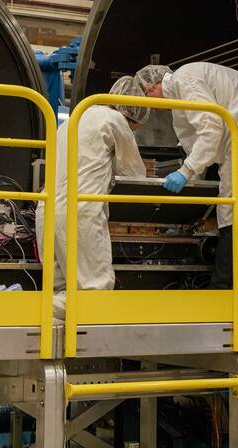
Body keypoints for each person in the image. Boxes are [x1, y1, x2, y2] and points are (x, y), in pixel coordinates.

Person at [134, 62, 238, 289]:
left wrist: (186, 172)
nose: (153, 108)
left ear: (153, 86)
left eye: (147, 97)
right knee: (230, 204)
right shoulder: (179, 95)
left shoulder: (184, 80)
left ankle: (224, 286)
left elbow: (211, 129)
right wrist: (192, 174)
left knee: (233, 204)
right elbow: (195, 140)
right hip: (237, 127)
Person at [36, 76, 148, 318]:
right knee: (93, 296)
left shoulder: (78, 115)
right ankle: (16, 307)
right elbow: (135, 174)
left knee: (60, 292)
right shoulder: (116, 120)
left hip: (45, 213)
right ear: (133, 115)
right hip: (80, 215)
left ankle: (16, 305)